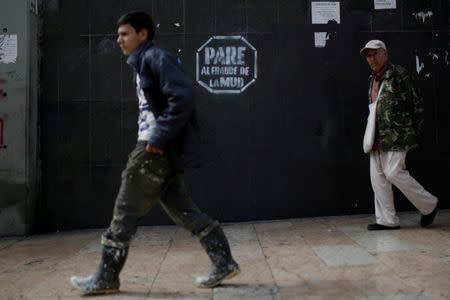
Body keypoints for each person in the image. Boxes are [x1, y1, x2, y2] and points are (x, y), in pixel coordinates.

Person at [70, 11, 239, 294]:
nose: (118, 39)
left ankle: (107, 277)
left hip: (152, 149)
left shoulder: (155, 58)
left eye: (125, 34)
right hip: (163, 151)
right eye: (119, 34)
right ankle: (224, 263)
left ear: (143, 34)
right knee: (184, 210)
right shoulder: (143, 62)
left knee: (124, 210)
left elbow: (183, 96)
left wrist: (158, 136)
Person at [360, 40, 438, 231]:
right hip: (376, 136)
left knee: (394, 173)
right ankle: (387, 220)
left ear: (385, 54)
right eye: (368, 55)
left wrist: (410, 132)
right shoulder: (372, 80)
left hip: (397, 136)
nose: (372, 59)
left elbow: (416, 105)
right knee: (378, 178)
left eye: (375, 54)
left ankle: (429, 205)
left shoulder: (400, 75)